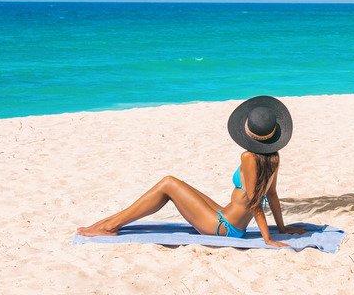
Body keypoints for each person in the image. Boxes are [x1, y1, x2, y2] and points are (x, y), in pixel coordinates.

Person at [76, 96, 307, 247]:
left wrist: (268, 238)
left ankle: (109, 226)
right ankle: (108, 222)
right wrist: (283, 228)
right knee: (172, 184)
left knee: (168, 183)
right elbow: (272, 195)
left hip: (222, 228)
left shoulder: (248, 157)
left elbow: (255, 200)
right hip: (228, 220)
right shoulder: (273, 158)